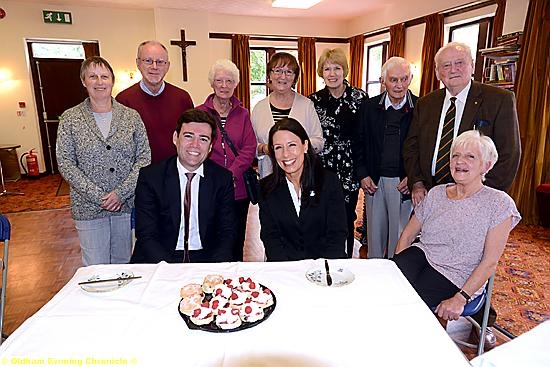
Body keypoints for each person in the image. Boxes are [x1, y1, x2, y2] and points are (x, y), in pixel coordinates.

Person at [394, 130, 521, 349]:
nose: (460, 161)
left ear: (487, 165)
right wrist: (397, 267)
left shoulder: (499, 204)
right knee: (386, 286)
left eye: (471, 157)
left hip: (456, 272)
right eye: (455, 155)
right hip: (421, 255)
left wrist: (461, 297)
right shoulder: (436, 193)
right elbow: (408, 234)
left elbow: (490, 261)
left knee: (408, 308)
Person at [56, 56, 151, 266]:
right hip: (88, 208)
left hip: (124, 205)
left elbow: (144, 158)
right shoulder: (70, 119)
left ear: (112, 80)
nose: (99, 82)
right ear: (83, 81)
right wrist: (99, 197)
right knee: (95, 267)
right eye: (93, 76)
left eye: (104, 76)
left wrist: (120, 193)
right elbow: (65, 162)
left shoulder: (131, 116)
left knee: (124, 265)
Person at [403, 41, 521, 207]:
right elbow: (411, 147)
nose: (453, 69)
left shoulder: (499, 100)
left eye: (459, 63)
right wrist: (417, 183)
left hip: (476, 198)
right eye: (446, 65)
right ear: (437, 72)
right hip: (430, 195)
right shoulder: (425, 104)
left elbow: (509, 154)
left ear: (472, 66)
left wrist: (480, 195)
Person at [131, 109, 236, 263]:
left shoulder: (222, 179)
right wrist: (170, 269)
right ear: (175, 138)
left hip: (206, 258)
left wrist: (214, 267)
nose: (195, 145)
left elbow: (227, 232)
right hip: (160, 257)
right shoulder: (151, 177)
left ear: (211, 146)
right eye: (188, 136)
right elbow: (147, 234)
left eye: (203, 139)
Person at [354, 57, 417, 259]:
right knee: (375, 237)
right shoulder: (369, 107)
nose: (399, 85)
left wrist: (413, 177)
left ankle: (396, 278)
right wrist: (363, 174)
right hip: (375, 182)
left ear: (410, 79)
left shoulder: (421, 107)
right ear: (383, 80)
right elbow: (358, 143)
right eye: (393, 80)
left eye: (404, 79)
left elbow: (423, 147)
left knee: (400, 239)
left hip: (404, 183)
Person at [258, 118, 347, 261]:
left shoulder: (329, 182)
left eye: (291, 145)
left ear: (305, 146)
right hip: (285, 269)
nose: (285, 154)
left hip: (324, 268)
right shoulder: (266, 188)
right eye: (278, 147)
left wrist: (323, 272)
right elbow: (271, 238)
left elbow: (337, 234)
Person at [309, 48, 368, 258]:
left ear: (345, 70)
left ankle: (344, 258)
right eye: (327, 69)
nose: (332, 73)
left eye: (337, 68)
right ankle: (321, 257)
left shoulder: (360, 98)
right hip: (321, 168)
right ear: (321, 72)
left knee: (346, 215)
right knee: (321, 215)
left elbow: (366, 136)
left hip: (350, 168)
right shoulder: (313, 101)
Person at [197, 59, 257, 261]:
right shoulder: (199, 113)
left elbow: (249, 148)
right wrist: (218, 176)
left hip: (238, 188)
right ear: (212, 83)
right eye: (219, 80)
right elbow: (195, 149)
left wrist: (231, 173)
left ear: (236, 84)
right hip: (208, 185)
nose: (224, 86)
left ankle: (235, 277)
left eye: (229, 81)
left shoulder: (243, 114)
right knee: (210, 234)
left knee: (235, 236)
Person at [116, 40, 194, 164]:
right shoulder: (123, 100)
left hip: (175, 172)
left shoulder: (182, 98)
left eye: (160, 62)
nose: (154, 67)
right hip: (140, 174)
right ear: (138, 63)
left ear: (167, 66)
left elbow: (190, 138)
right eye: (148, 61)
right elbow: (119, 145)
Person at [252, 52, 324, 178]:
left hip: (302, 176)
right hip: (269, 176)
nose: (283, 76)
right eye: (278, 71)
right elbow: (251, 145)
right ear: (270, 74)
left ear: (295, 77)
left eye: (289, 72)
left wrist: (296, 147)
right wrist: (264, 148)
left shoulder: (307, 105)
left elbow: (319, 142)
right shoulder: (259, 108)